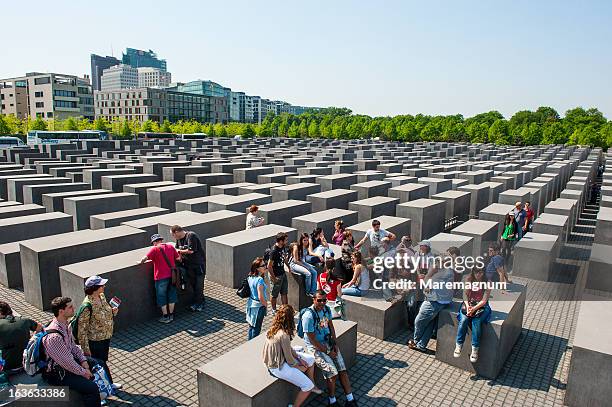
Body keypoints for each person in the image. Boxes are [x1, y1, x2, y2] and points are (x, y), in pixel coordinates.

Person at [42, 297, 101, 407]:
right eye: (70, 307)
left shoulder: (65, 325)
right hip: (58, 374)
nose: (74, 308)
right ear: (61, 311)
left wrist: (83, 361)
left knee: (98, 363)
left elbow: (73, 347)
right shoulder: (54, 337)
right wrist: (84, 372)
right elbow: (67, 362)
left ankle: (105, 390)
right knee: (91, 388)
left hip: (67, 363)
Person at [302, 291, 357, 407]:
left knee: (342, 369)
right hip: (316, 348)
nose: (322, 303)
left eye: (324, 300)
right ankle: (332, 401)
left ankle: (350, 399)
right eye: (319, 300)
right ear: (314, 300)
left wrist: (335, 344)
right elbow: (312, 339)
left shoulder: (326, 309)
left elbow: (331, 326)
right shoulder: (308, 316)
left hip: (329, 343)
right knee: (332, 374)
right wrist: (327, 352)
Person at [263, 305, 322, 407]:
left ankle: (313, 385)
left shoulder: (274, 328)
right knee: (307, 386)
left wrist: (299, 358)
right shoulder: (284, 335)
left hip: (280, 357)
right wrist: (299, 367)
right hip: (277, 366)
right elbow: (289, 359)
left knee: (311, 360)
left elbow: (288, 348)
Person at [75, 276, 121, 390]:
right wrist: (86, 350)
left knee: (103, 361)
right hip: (95, 341)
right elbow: (82, 331)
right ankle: (102, 388)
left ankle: (107, 384)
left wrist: (113, 311)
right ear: (95, 288)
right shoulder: (87, 306)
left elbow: (107, 312)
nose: (104, 286)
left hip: (105, 336)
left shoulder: (101, 296)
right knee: (97, 365)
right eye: (102, 285)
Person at [408, 247, 457, 352]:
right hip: (443, 301)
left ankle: (416, 341)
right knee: (430, 322)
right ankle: (421, 345)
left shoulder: (443, 272)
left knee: (418, 321)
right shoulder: (447, 271)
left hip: (435, 302)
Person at [140, 234, 181, 323]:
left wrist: (140, 262)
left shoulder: (155, 249)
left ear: (154, 242)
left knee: (161, 296)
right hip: (172, 276)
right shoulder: (170, 246)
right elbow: (178, 258)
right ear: (161, 240)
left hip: (160, 277)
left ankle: (165, 317)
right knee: (172, 294)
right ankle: (171, 315)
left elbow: (144, 258)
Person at [454, 265, 492, 362]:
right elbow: (465, 295)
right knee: (463, 320)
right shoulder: (469, 279)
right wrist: (468, 306)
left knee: (476, 321)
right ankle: (458, 345)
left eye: (481, 272)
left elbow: (484, 300)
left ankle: (475, 349)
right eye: (476, 272)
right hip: (469, 304)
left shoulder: (488, 282)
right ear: (473, 272)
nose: (478, 274)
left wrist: (474, 308)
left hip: (481, 306)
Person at [171, 225, 206, 312]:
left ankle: (200, 304)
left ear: (176, 232)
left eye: (173, 234)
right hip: (188, 266)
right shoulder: (178, 240)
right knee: (193, 285)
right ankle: (199, 301)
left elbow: (191, 250)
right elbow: (176, 249)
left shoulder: (191, 235)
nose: (173, 237)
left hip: (198, 266)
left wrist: (178, 251)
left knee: (199, 285)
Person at [0, 301, 41, 372]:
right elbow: (40, 328)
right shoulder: (25, 320)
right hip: (27, 363)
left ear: (0, 313)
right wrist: (32, 339)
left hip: (8, 367)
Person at [246, 257, 268, 340]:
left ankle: (248, 345)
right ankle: (252, 346)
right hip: (259, 307)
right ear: (258, 269)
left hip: (251, 305)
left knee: (251, 326)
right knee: (256, 329)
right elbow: (260, 296)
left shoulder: (250, 276)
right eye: (263, 265)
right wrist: (265, 305)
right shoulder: (259, 280)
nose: (265, 266)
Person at [268, 232, 289, 315]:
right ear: (280, 241)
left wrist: (288, 266)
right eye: (285, 240)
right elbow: (269, 266)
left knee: (284, 293)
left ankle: (285, 310)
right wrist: (273, 278)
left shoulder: (282, 247)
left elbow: (284, 258)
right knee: (274, 294)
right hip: (276, 275)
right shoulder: (274, 251)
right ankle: (273, 310)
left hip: (283, 273)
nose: (287, 241)